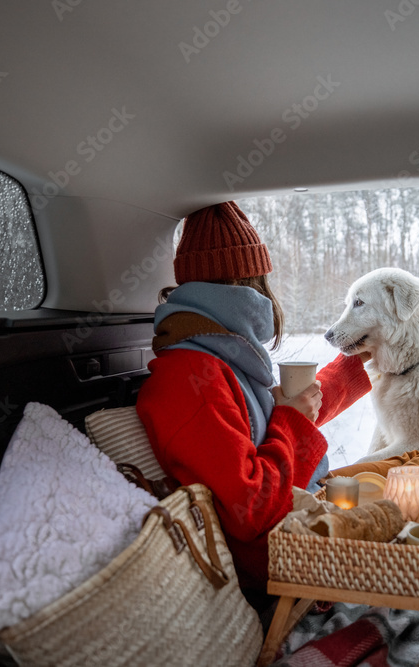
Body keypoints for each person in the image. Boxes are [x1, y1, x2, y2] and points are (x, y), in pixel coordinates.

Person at [136, 201, 372, 594]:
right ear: (249, 286)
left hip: (301, 525)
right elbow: (252, 509)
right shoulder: (190, 377)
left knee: (417, 472)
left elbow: (278, 421)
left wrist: (359, 366)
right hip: (282, 567)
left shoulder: (220, 355)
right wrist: (289, 420)